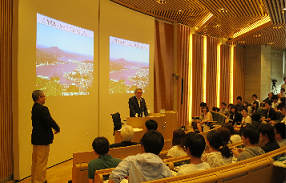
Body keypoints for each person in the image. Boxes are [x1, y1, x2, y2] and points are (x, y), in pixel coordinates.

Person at [109, 130, 173, 183]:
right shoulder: (164, 168)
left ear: (142, 146)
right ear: (160, 149)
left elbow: (112, 180)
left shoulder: (130, 161)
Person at [31, 90, 60, 183]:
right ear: (39, 98)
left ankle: (34, 180)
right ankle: (40, 181)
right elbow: (49, 120)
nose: (45, 98)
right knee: (41, 163)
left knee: (35, 162)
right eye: (43, 96)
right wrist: (57, 128)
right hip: (43, 140)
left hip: (36, 139)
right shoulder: (43, 109)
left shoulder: (34, 108)